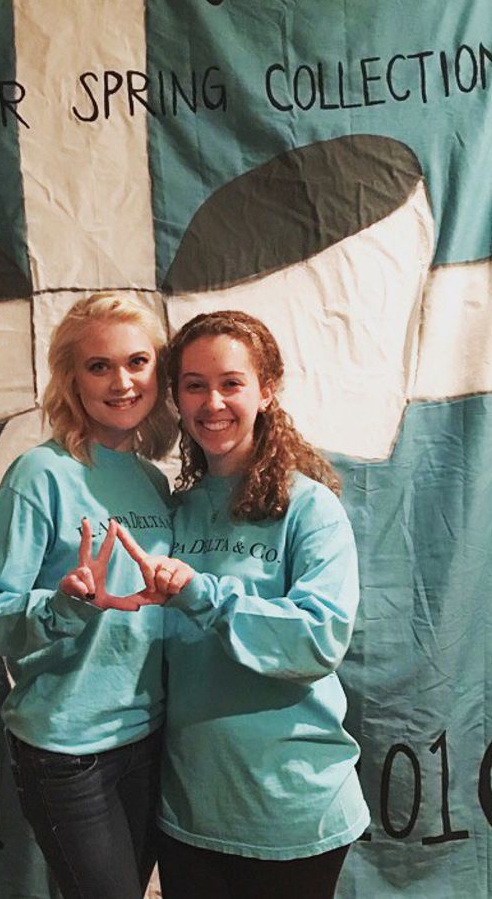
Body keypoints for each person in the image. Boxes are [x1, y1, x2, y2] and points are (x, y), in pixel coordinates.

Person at [118, 310, 369, 899]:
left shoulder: (310, 509)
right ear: (176, 398)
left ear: (266, 389)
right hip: (190, 813)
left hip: (293, 812)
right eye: (195, 385)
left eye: (231, 383)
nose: (213, 403)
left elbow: (319, 639)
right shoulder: (173, 510)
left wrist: (203, 595)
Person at [0, 293, 177, 899]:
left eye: (138, 362)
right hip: (70, 753)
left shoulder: (153, 481)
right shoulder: (41, 474)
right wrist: (63, 607)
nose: (122, 382)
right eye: (99, 366)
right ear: (72, 380)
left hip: (150, 737)